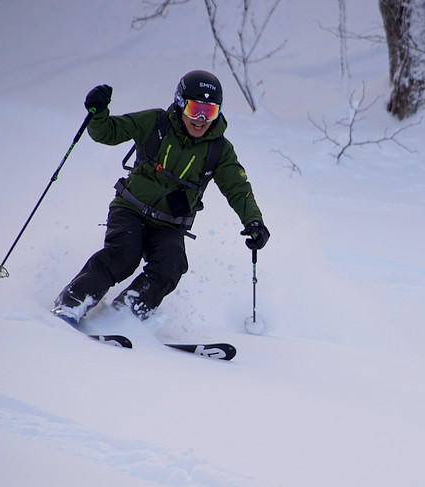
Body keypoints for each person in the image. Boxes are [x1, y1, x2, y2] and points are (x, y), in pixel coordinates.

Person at [51, 70, 270, 325]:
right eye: (194, 109)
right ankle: (71, 303)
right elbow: (108, 133)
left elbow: (238, 189)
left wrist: (254, 222)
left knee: (172, 264)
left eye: (209, 112)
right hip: (131, 209)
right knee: (124, 254)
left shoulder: (219, 149)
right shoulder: (155, 122)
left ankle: (124, 315)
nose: (200, 119)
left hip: (169, 224)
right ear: (180, 104)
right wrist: (98, 114)